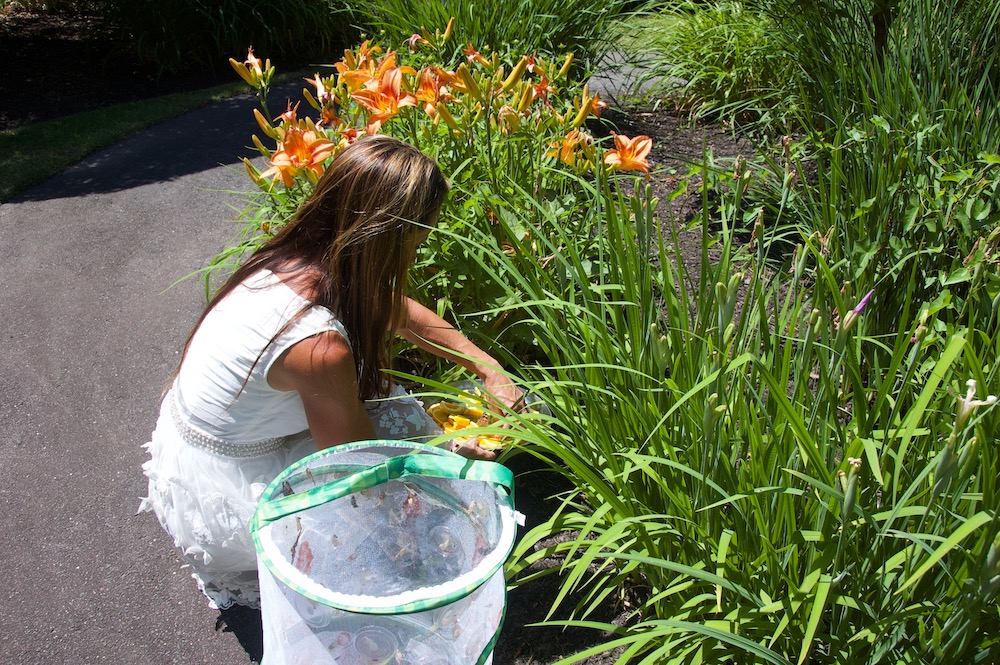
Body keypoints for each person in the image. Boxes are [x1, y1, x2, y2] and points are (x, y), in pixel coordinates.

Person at [139, 135, 521, 610]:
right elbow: (359, 470)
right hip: (232, 488)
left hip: (201, 449)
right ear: (390, 238)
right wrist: (450, 455)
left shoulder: (293, 259)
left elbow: (396, 310)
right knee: (394, 515)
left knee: (391, 416)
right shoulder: (320, 348)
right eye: (420, 239)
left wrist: (486, 366)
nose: (418, 253)